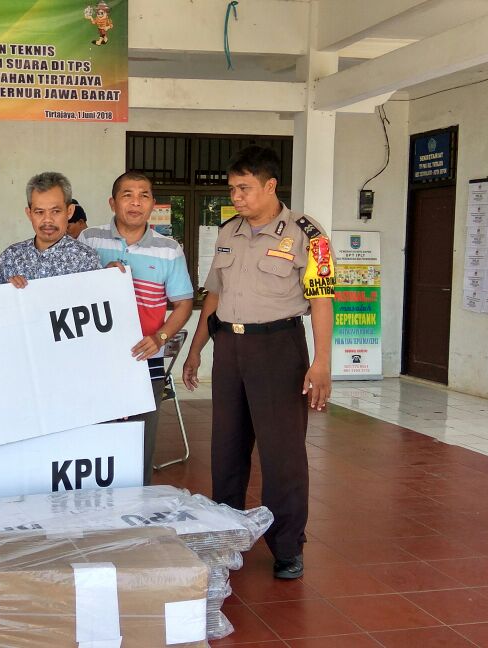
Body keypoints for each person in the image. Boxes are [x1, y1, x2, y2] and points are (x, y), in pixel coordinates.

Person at [181, 145, 334, 580]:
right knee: (227, 449)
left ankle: (287, 546)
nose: (237, 197)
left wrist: (322, 362)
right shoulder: (228, 232)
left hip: (279, 349)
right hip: (230, 348)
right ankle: (226, 537)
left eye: (244, 188)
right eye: (232, 189)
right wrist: (196, 349)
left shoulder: (309, 235)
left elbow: (322, 300)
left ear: (271, 186)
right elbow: (215, 295)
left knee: (282, 455)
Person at [79, 171, 193, 485]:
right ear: (112, 202)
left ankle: (137, 508)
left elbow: (184, 303)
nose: (136, 202)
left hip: (145, 361)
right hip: (95, 362)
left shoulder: (169, 249)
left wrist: (160, 337)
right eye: (127, 195)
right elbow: (73, 290)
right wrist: (101, 275)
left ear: (153, 204)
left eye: (144, 195)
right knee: (95, 443)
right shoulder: (89, 239)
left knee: (139, 445)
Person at [0, 173, 101, 287]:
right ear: (29, 214)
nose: (47, 220)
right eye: (39, 212)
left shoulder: (86, 258)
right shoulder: (11, 257)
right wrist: (8, 290)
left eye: (55, 211)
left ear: (69, 211)